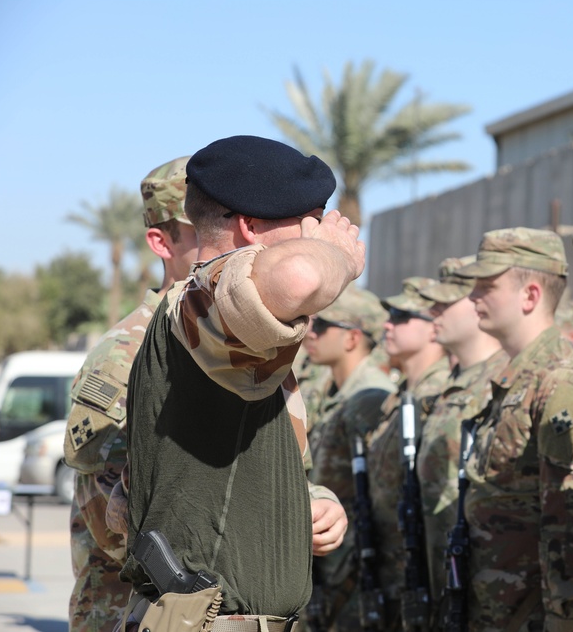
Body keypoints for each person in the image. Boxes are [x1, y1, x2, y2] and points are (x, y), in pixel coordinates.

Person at [119, 135, 364, 627]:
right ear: (250, 227)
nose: (321, 229)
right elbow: (298, 277)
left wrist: (307, 502)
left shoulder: (222, 330)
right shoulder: (208, 294)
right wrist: (338, 256)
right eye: (310, 218)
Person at [64, 156, 198, 632]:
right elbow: (109, 517)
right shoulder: (126, 352)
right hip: (124, 613)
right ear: (162, 241)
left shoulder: (228, 348)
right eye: (201, 230)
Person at [457, 227, 573, 631]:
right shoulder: (515, 376)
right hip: (497, 610)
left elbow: (571, 524)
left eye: (487, 285)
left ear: (531, 295)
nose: (473, 297)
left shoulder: (561, 381)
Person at [415, 256, 508, 620]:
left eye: (445, 301)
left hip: (488, 590)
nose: (433, 309)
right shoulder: (449, 387)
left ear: (476, 303)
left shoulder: (502, 382)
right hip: (445, 583)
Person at [302, 285, 397, 631]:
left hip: (356, 562)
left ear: (352, 338)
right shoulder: (328, 389)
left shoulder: (372, 396)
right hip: (328, 554)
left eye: (323, 326)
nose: (311, 332)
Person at [367, 277, 450, 629]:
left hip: (422, 571)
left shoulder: (440, 395)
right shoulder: (400, 395)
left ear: (435, 328)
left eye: (402, 316)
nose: (388, 324)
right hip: (390, 568)